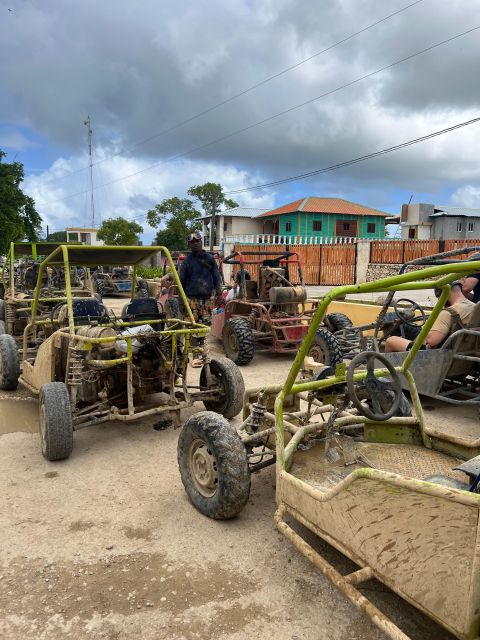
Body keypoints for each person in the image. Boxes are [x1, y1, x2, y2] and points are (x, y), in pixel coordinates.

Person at [385, 281, 476, 353]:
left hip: (433, 354)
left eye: (439, 297)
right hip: (462, 351)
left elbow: (431, 341)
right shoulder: (474, 307)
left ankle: (388, 372)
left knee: (391, 341)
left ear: (444, 292)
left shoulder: (449, 313)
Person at [179, 231, 223, 366]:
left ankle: (203, 354)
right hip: (191, 300)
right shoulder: (187, 262)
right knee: (192, 328)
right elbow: (181, 282)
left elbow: (216, 276)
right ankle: (195, 356)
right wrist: (182, 301)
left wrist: (219, 293)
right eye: (192, 242)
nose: (195, 243)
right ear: (189, 244)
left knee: (204, 327)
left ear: (201, 242)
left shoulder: (210, 259)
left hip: (206, 300)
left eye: (197, 241)